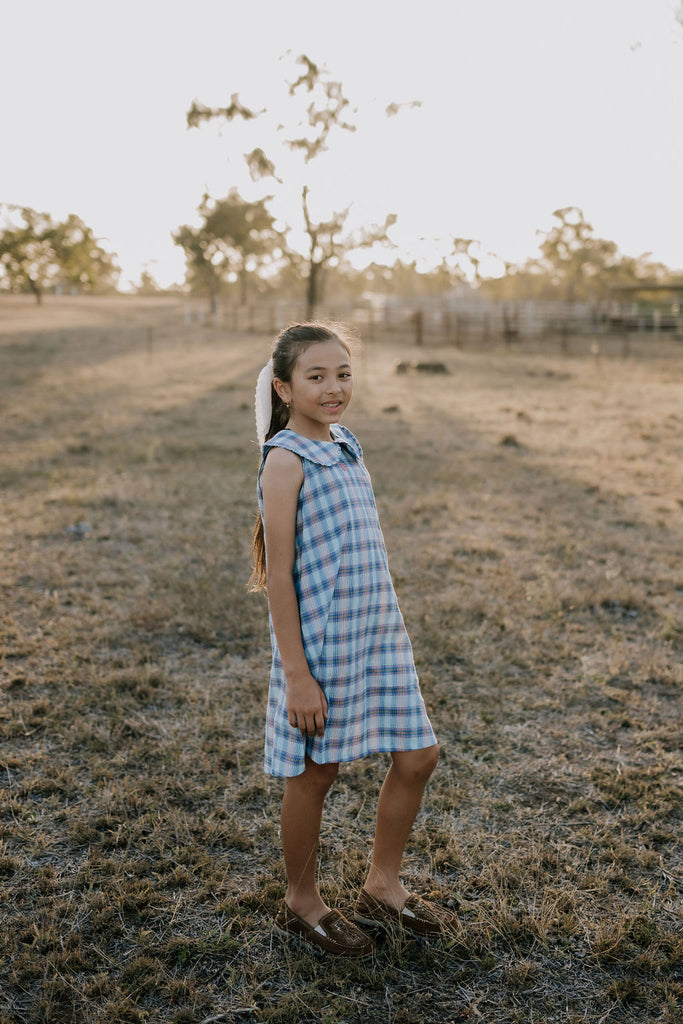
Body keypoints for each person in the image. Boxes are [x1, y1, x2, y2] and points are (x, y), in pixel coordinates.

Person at [249, 322, 458, 957]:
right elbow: (279, 577)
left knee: (419, 756)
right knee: (318, 772)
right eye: (316, 377)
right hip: (322, 646)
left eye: (343, 373)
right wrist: (298, 675)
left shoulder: (345, 443)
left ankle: (382, 882)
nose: (334, 388)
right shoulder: (285, 461)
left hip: (377, 634)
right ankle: (301, 901)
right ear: (284, 388)